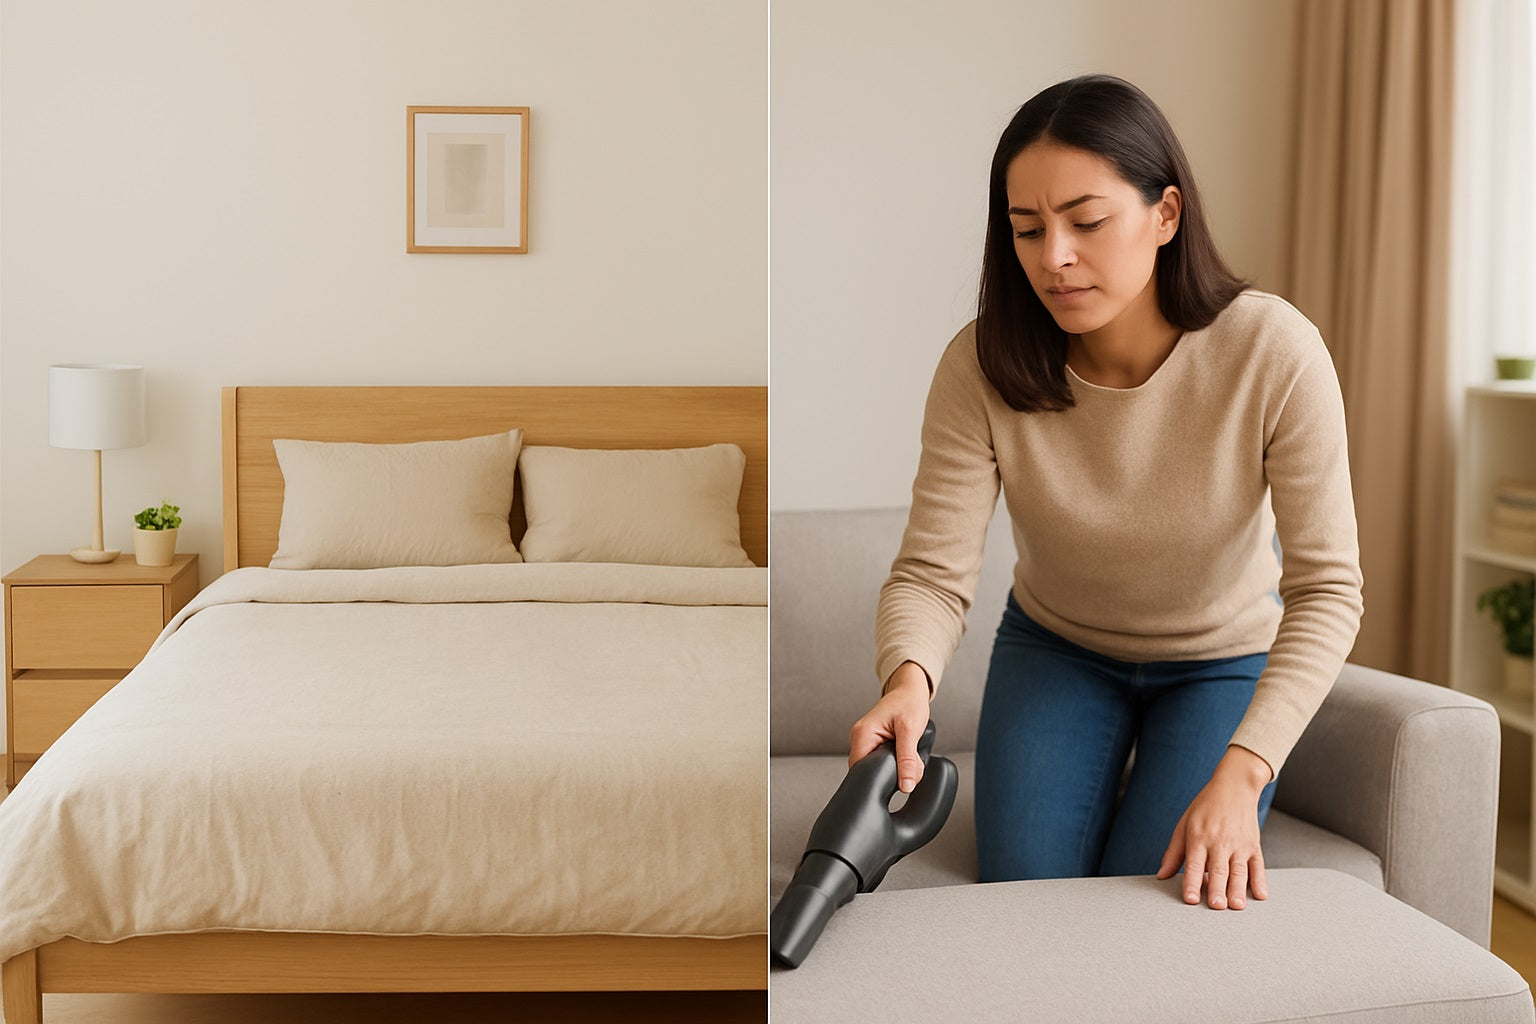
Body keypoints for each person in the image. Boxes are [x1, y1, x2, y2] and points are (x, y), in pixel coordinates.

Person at [848, 74, 1363, 912]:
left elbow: (1329, 590)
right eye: (1027, 230)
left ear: (1165, 214)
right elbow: (931, 576)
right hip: (1057, 650)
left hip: (1221, 665)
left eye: (1086, 222)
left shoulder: (1273, 352)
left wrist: (1245, 772)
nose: (1053, 256)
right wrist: (907, 681)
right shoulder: (980, 367)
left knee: (1148, 901)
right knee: (1022, 896)